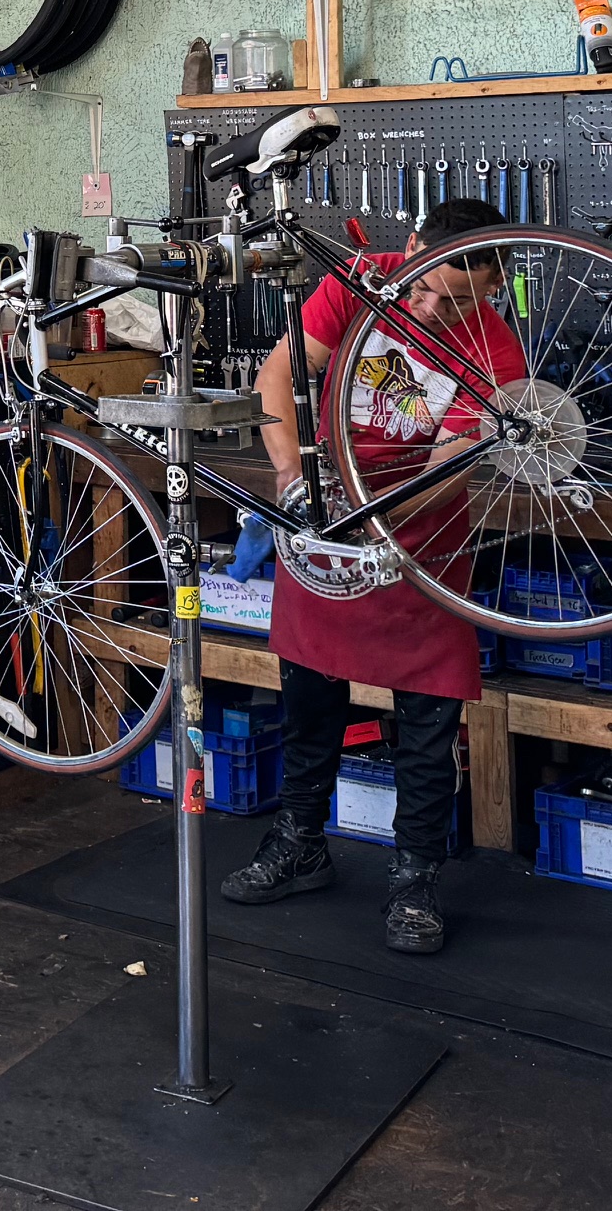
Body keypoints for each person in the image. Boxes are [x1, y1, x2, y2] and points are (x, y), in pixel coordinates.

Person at [219, 195, 521, 956]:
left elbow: (452, 465)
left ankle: (415, 878)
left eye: (456, 299)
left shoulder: (498, 355)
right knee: (308, 697)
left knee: (426, 722)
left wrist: (373, 515)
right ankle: (299, 844)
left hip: (418, 549)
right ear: (410, 244)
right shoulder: (354, 281)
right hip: (319, 528)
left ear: (493, 286)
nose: (427, 305)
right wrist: (293, 481)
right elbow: (279, 376)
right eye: (421, 285)